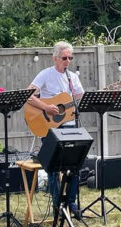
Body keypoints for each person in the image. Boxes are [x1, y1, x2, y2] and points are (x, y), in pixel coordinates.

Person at [27, 41, 84, 215]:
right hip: (50, 127)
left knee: (74, 165)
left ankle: (72, 203)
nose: (67, 61)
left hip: (70, 125)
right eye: (64, 58)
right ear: (55, 58)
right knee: (54, 167)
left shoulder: (72, 77)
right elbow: (28, 95)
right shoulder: (45, 75)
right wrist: (45, 108)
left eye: (70, 58)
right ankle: (57, 203)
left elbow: (78, 97)